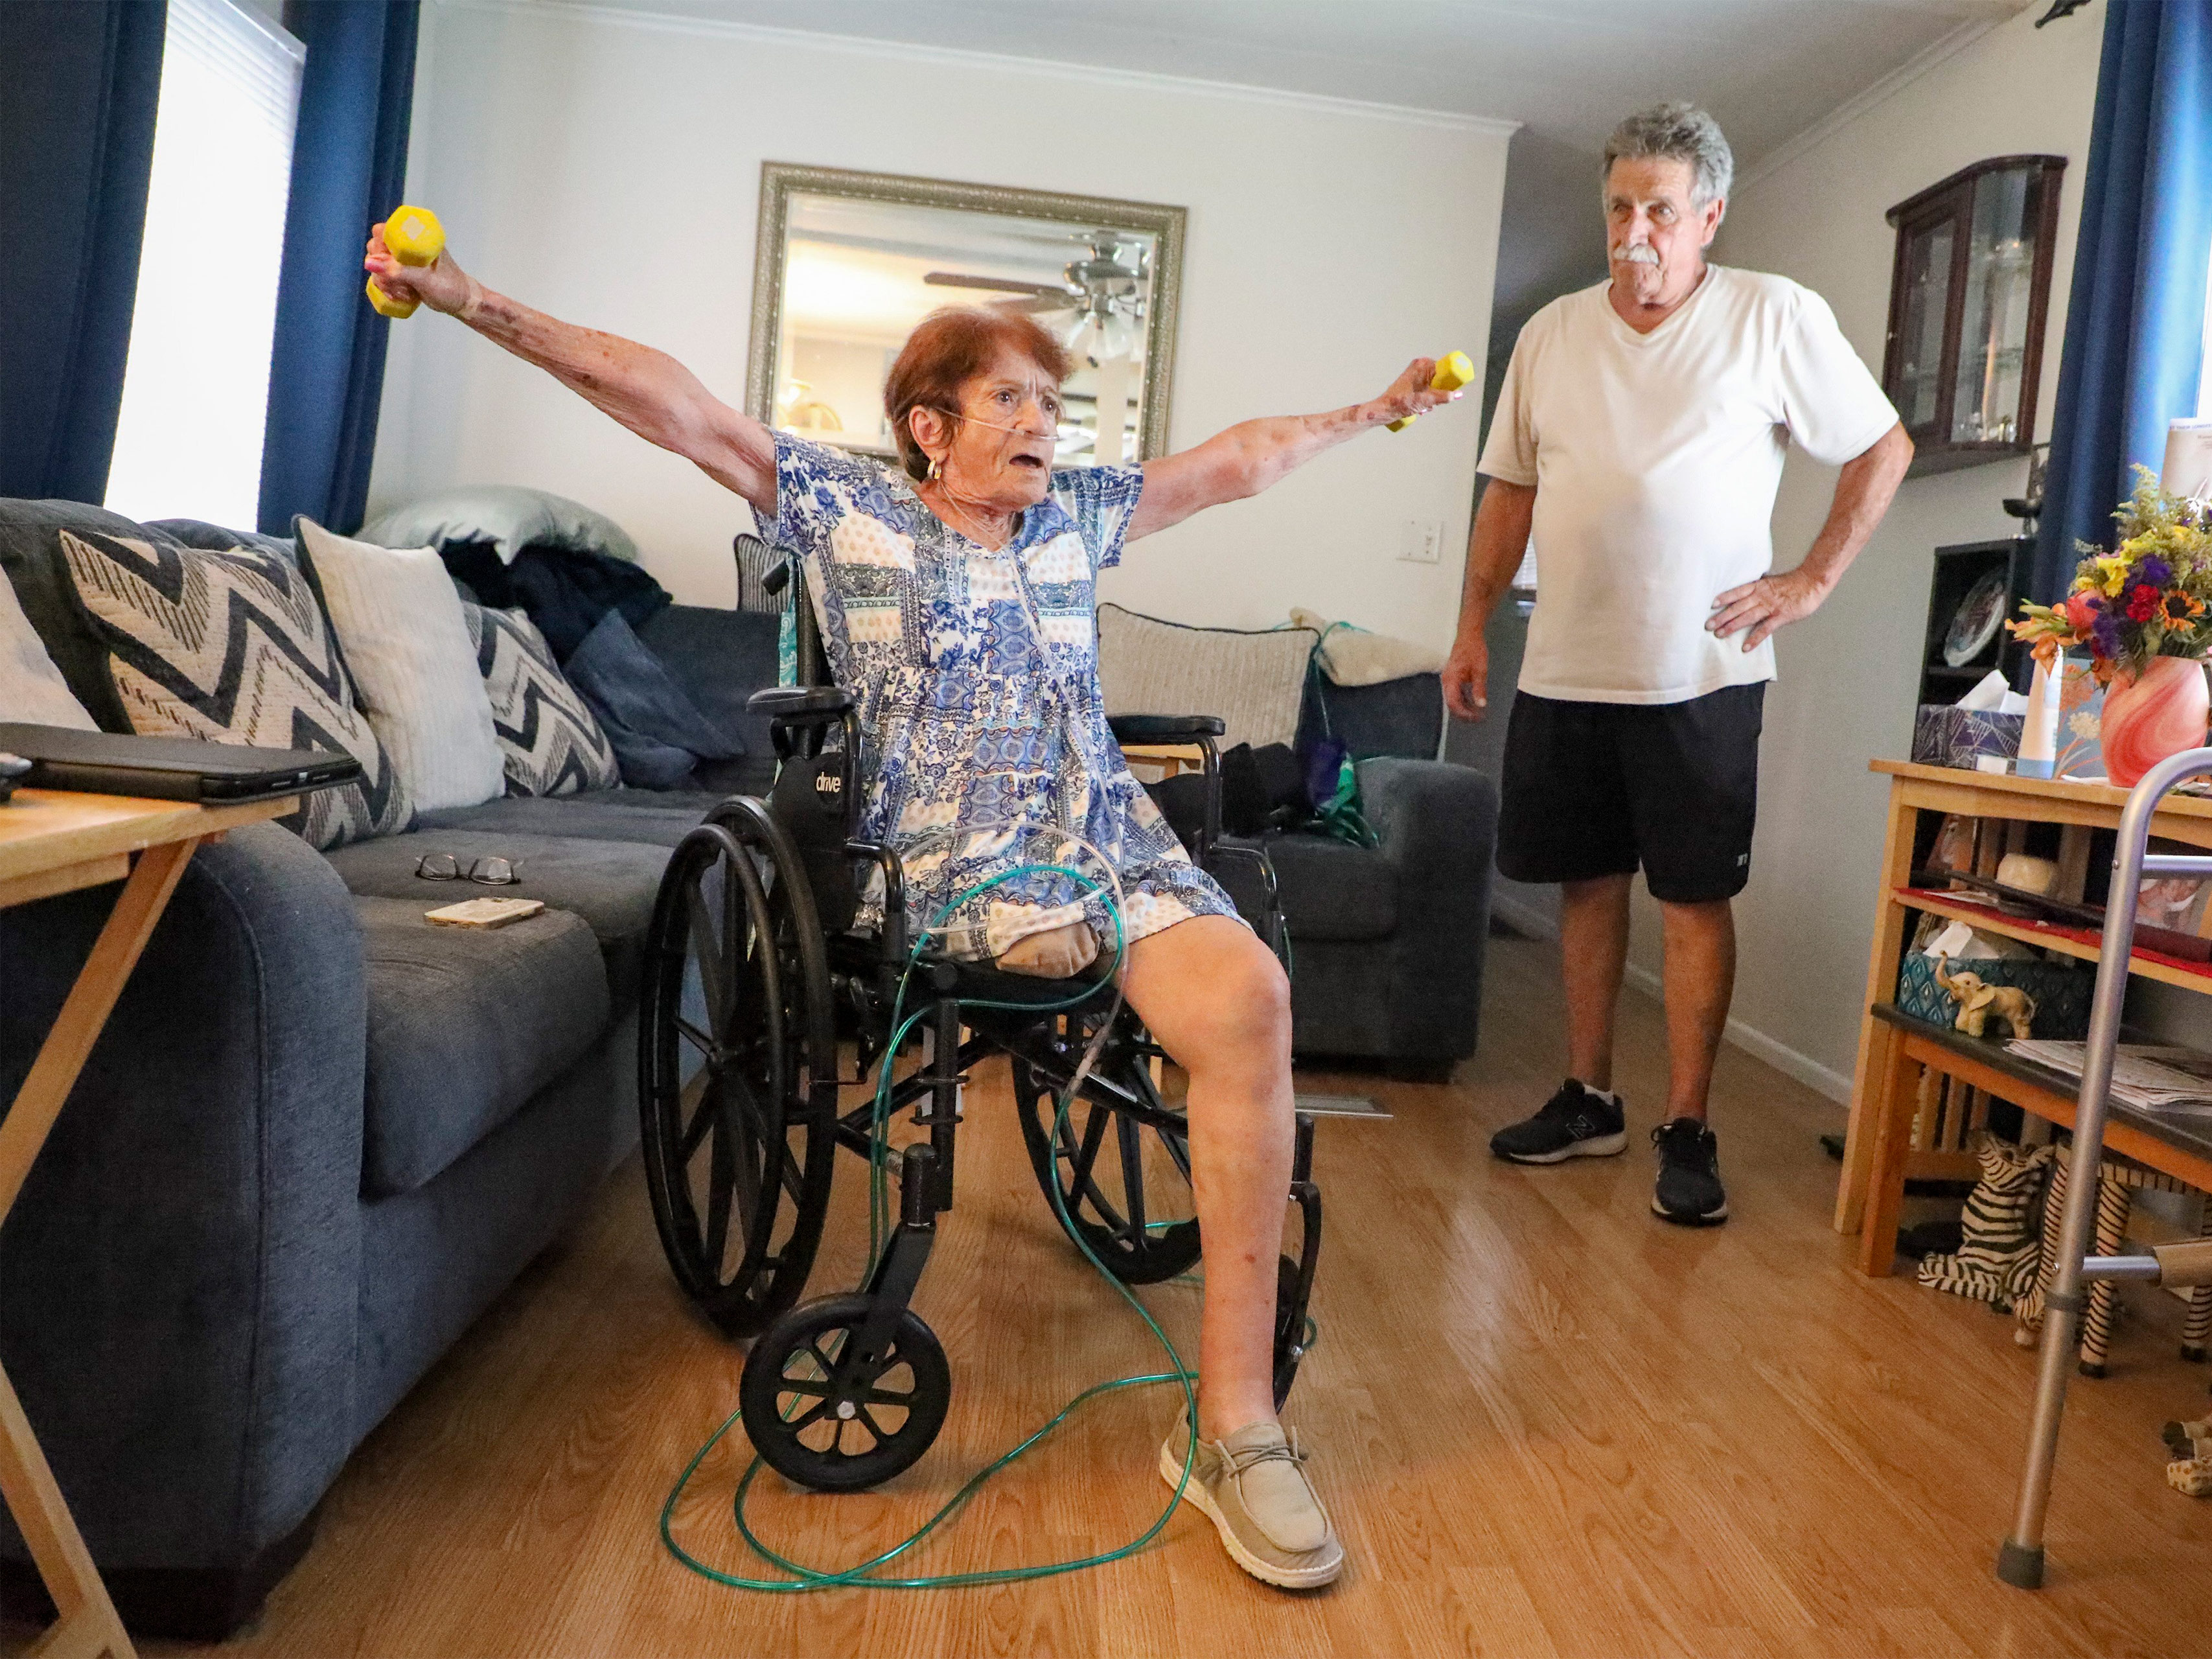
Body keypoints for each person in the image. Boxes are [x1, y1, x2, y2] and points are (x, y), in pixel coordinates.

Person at [365, 233, 1463, 1590]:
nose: (1043, 425)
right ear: (929, 427)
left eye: (1052, 404)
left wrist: (1376, 410)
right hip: (947, 855)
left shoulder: (1076, 516)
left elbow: (1238, 460)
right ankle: (1058, 955)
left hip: (1109, 842)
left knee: (1251, 996)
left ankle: (1236, 1429)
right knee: (1072, 943)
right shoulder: (847, 505)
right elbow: (674, 404)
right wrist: (471, 300)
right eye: (1011, 400)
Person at [1440, 103, 1910, 1224]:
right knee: (1585, 883)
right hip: (1567, 665)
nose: (1634, 231)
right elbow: (1511, 490)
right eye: (1619, 208)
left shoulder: (1772, 314)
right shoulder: (1552, 333)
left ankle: (1689, 1125)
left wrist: (1810, 580)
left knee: (1695, 897)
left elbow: (1881, 445)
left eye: (1658, 209)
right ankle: (1589, 1097)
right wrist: (1470, 623)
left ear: (1708, 215)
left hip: (1702, 672)